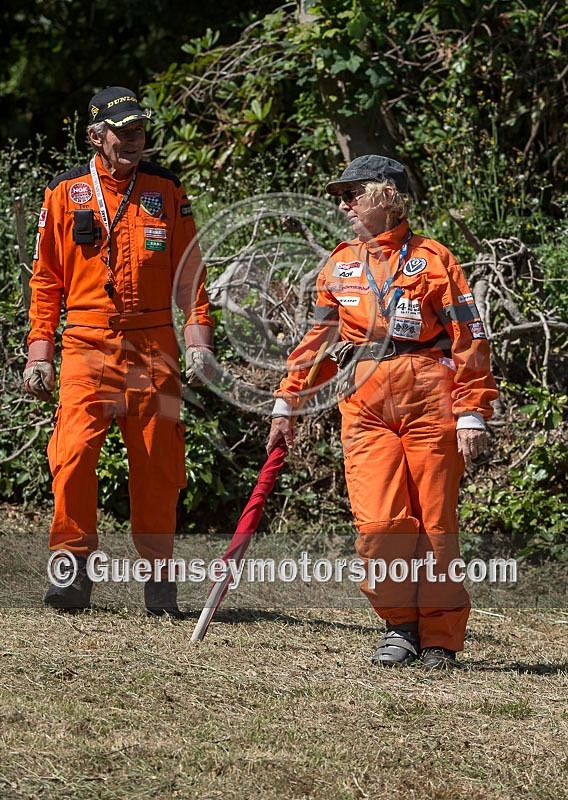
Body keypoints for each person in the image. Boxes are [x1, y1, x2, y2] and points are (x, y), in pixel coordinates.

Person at [267, 155, 498, 669]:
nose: (343, 205)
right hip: (364, 404)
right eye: (341, 196)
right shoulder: (340, 264)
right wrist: (288, 400)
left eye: (353, 194)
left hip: (429, 401)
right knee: (379, 525)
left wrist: (471, 411)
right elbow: (316, 340)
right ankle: (400, 625)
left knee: (434, 524)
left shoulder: (435, 259)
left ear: (387, 197)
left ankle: (439, 638)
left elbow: (469, 339)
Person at [23, 86, 215, 616]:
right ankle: (71, 574)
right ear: (95, 136)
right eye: (122, 131)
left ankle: (160, 584)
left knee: (159, 466)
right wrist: (39, 353)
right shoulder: (65, 192)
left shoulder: (166, 189)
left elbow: (190, 274)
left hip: (155, 347)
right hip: (86, 344)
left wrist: (198, 342)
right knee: (71, 457)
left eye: (139, 130)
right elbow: (45, 280)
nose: (134, 139)